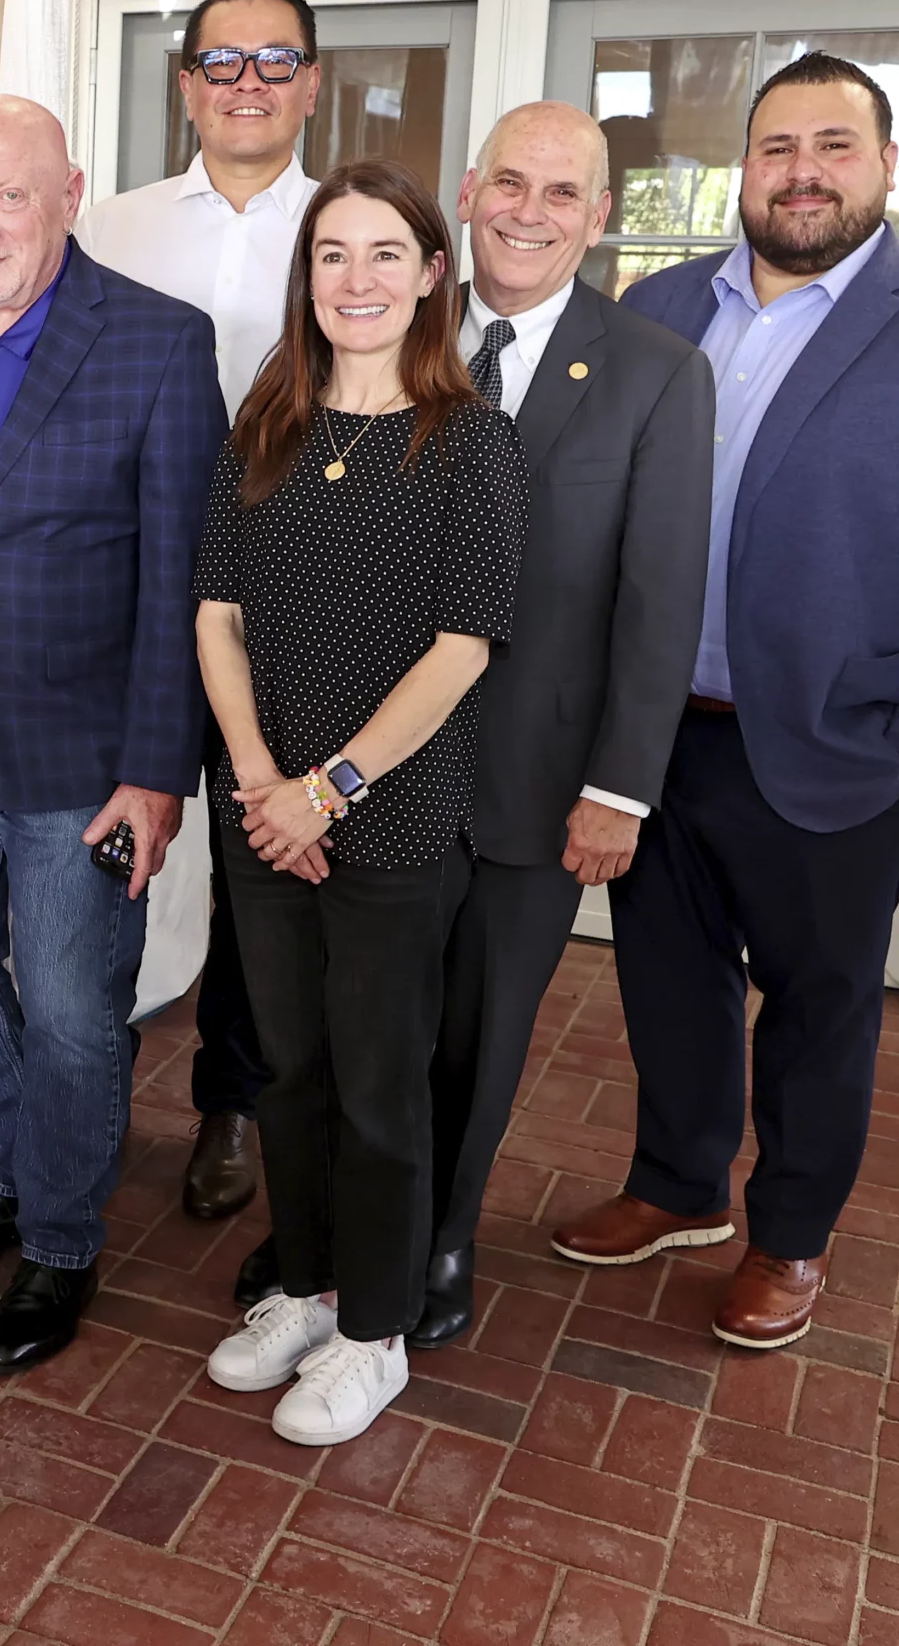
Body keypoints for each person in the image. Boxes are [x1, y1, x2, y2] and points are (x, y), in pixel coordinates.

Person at [0, 97, 225, 1374]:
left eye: (9, 195)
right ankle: (14, 1177)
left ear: (68, 194)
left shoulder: (157, 341)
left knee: (72, 1009)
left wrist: (156, 767)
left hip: (80, 751)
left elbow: (181, 572)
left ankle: (60, 1237)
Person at [552, 53, 899, 1350]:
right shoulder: (657, 303)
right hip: (656, 732)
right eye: (776, 148)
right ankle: (678, 1182)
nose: (802, 172)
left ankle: (788, 1235)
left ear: (884, 165)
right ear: (742, 168)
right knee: (666, 975)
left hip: (830, 740)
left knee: (819, 1008)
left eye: (833, 146)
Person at [195, 160, 526, 1446]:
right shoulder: (265, 423)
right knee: (290, 1066)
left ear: (432, 273)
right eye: (332, 254)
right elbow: (215, 614)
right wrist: (257, 782)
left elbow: (462, 645)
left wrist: (326, 789)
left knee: (380, 1084)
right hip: (264, 811)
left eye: (385, 253)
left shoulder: (469, 439)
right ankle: (309, 1282)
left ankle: (375, 1329)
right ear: (307, 276)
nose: (357, 279)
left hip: (386, 816)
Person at [413, 103, 713, 1347]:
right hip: (375, 763)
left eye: (559, 193)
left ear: (595, 218)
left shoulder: (653, 370)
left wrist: (618, 788)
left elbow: (659, 599)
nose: (526, 213)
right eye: (509, 183)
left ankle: (438, 1234)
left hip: (535, 779)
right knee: (362, 1013)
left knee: (477, 1032)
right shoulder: (384, 324)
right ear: (467, 190)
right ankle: (344, 1220)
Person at [80, 0, 322, 1242]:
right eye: (221, 61)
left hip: (286, 601)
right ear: (184, 84)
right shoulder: (109, 230)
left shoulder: (344, 229)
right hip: (127, 592)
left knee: (252, 857)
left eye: (273, 60)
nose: (246, 84)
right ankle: (89, 1067)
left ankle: (231, 1096)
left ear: (310, 84)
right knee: (112, 835)